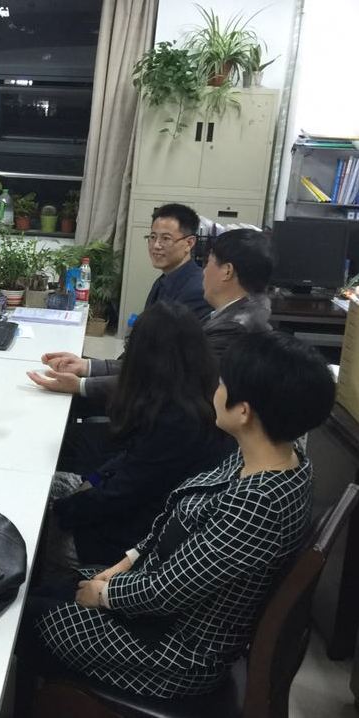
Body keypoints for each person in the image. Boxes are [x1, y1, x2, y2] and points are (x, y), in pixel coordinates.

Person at [25, 331, 335, 701]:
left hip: (174, 651)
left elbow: (165, 592)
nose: (215, 390)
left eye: (222, 384)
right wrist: (125, 562)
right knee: (36, 592)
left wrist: (104, 593)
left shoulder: (259, 503)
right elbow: (176, 517)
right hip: (156, 601)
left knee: (23, 621)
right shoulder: (273, 453)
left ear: (243, 411)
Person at [30, 302, 233, 571]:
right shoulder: (192, 391)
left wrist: (61, 509)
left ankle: (44, 580)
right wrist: (91, 482)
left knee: (37, 515)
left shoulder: (177, 420)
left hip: (135, 540)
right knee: (59, 488)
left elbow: (121, 494)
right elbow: (127, 465)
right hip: (140, 507)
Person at [38, 227, 273, 403]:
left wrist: (82, 385)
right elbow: (157, 364)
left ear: (227, 271)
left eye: (209, 263)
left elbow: (165, 380)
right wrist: (87, 366)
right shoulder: (236, 313)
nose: (203, 272)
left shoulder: (233, 329)